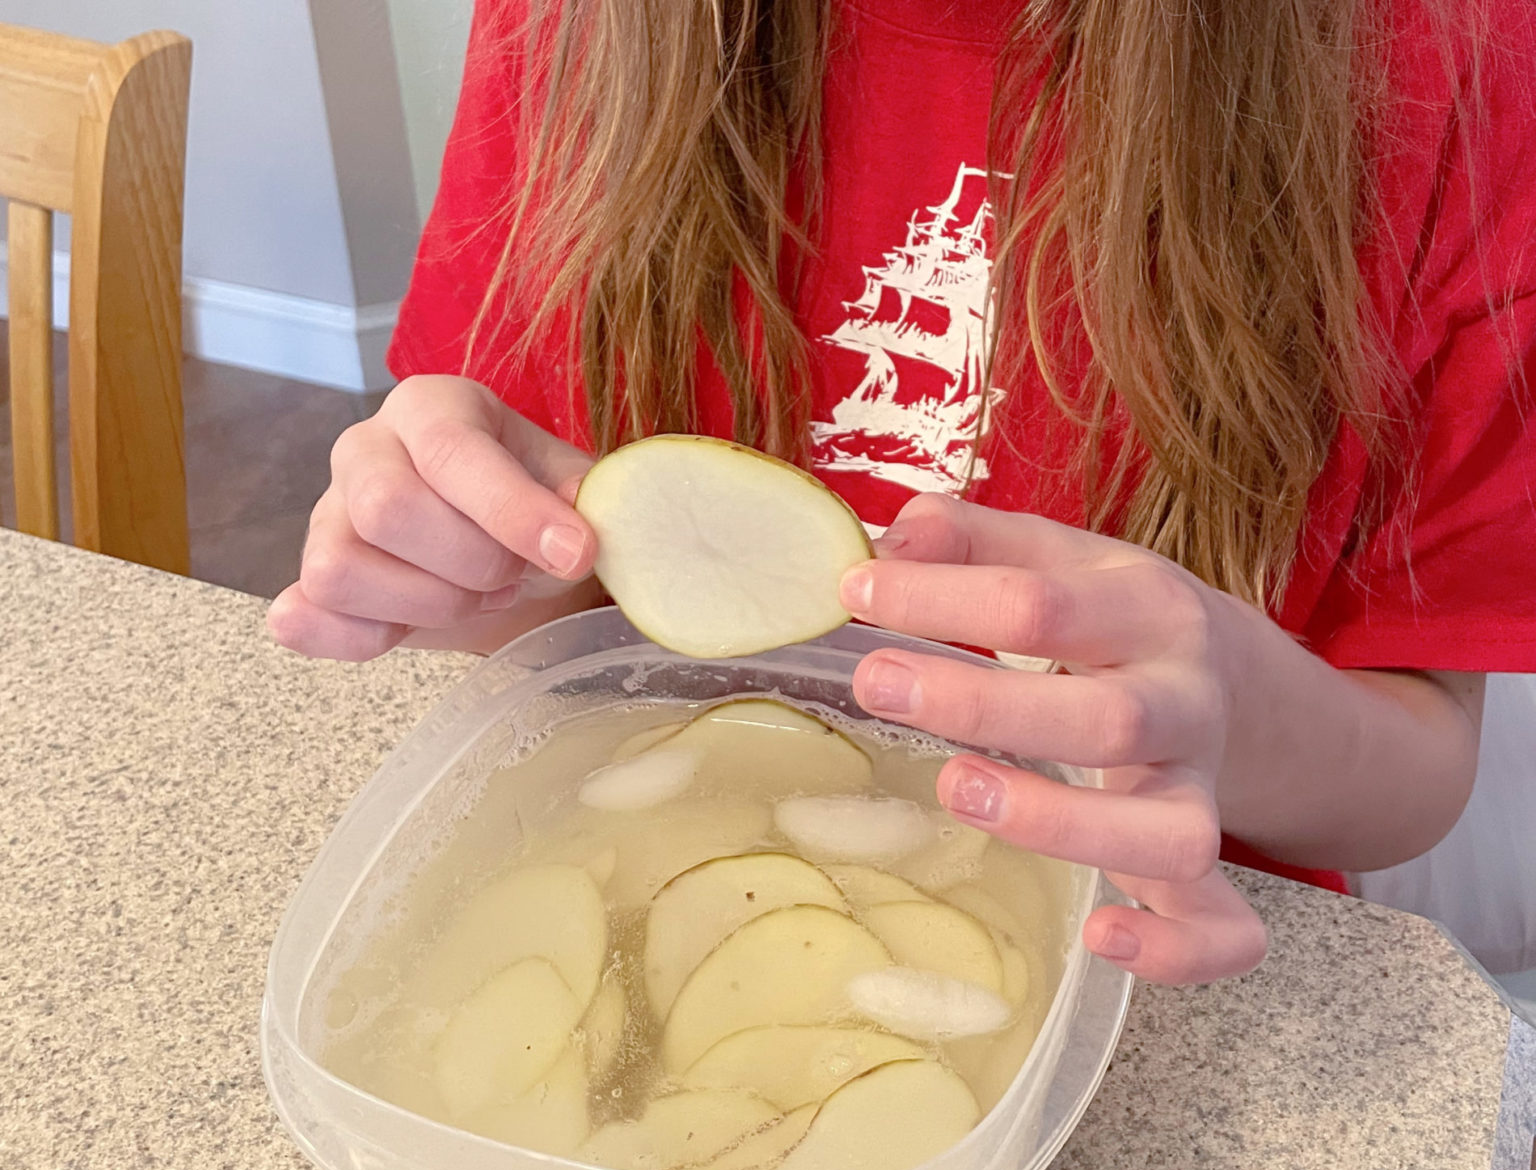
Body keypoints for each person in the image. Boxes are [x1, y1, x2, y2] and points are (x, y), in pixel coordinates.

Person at [268, 0, 1536, 988]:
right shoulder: (594, 34)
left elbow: (1416, 770)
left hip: (1163, 969)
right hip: (668, 885)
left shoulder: (1452, 67)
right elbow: (562, 601)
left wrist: (1232, 702)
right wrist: (467, 560)